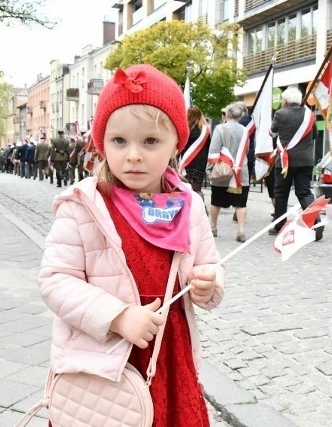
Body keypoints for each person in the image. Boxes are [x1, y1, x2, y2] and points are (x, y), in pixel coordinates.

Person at [38, 64, 224, 427]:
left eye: (150, 142)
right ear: (102, 142)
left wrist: (208, 284)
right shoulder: (83, 206)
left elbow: (211, 265)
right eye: (120, 141)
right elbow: (56, 281)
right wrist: (118, 317)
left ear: (176, 144)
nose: (134, 155)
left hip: (168, 348)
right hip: (105, 357)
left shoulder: (189, 205)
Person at [267, 87, 322, 240]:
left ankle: (279, 225)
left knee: (281, 194)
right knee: (304, 192)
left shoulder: (280, 113)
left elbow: (272, 131)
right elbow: (316, 135)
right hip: (305, 160)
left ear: (285, 101)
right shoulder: (309, 114)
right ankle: (316, 221)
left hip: (286, 161)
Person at [207, 103, 250, 242]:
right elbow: (247, 149)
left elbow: (214, 150)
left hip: (223, 172)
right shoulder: (245, 130)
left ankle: (213, 227)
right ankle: (241, 230)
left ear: (227, 114)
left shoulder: (220, 128)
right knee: (241, 203)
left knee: (216, 201)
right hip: (240, 172)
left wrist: (209, 169)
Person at [180, 105, 211, 202]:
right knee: (197, 189)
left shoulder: (184, 129)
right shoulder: (205, 130)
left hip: (186, 162)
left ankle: (187, 209)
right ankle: (201, 210)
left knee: (185, 188)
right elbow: (209, 146)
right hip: (200, 162)